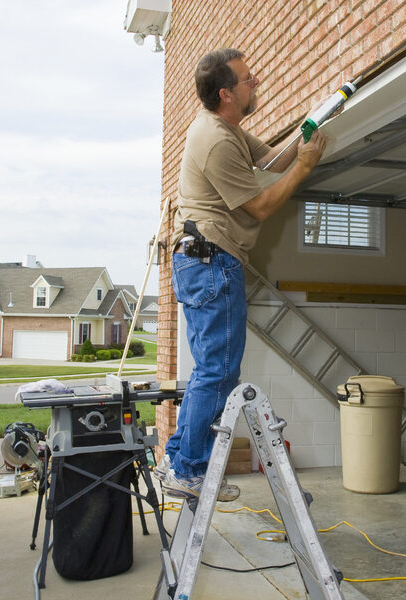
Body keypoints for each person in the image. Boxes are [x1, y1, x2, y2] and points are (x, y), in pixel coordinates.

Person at [154, 48, 329, 501]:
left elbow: (271, 162)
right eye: (249, 80)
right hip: (210, 260)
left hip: (202, 259)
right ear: (227, 93)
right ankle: (190, 468)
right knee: (217, 371)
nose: (258, 84)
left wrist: (308, 128)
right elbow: (263, 204)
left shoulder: (227, 130)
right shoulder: (215, 140)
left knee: (209, 371)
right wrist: (306, 166)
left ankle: (180, 458)